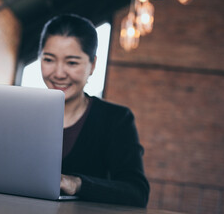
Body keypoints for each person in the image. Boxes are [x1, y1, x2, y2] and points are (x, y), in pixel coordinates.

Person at [38, 14, 150, 207]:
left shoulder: (115, 120)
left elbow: (137, 192)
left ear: (93, 65)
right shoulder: (24, 115)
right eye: (49, 60)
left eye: (72, 63)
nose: (58, 73)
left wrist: (77, 184)